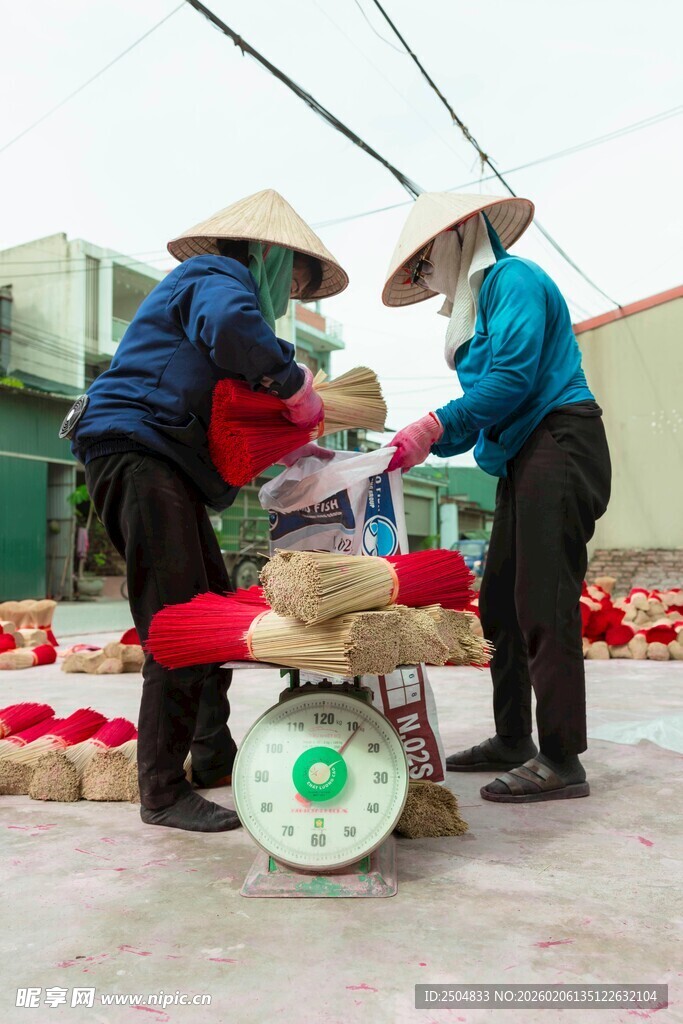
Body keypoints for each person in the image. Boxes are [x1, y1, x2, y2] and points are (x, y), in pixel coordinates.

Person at [61, 189, 348, 831]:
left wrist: (291, 446)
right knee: (180, 624)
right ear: (269, 254)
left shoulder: (216, 300)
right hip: (137, 453)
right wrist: (292, 380)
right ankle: (162, 791)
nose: (288, 297)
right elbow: (233, 328)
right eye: (293, 282)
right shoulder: (213, 275)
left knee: (213, 610)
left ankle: (213, 755)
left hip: (161, 462)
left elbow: (229, 412)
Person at [382, 192, 611, 803]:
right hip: (523, 455)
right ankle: (513, 738)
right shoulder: (479, 308)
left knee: (543, 600)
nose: (425, 277)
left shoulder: (514, 280)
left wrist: (436, 423)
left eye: (424, 263)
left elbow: (513, 379)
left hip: (561, 439)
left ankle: (561, 757)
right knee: (499, 605)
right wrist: (425, 441)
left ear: (458, 235)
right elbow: (485, 408)